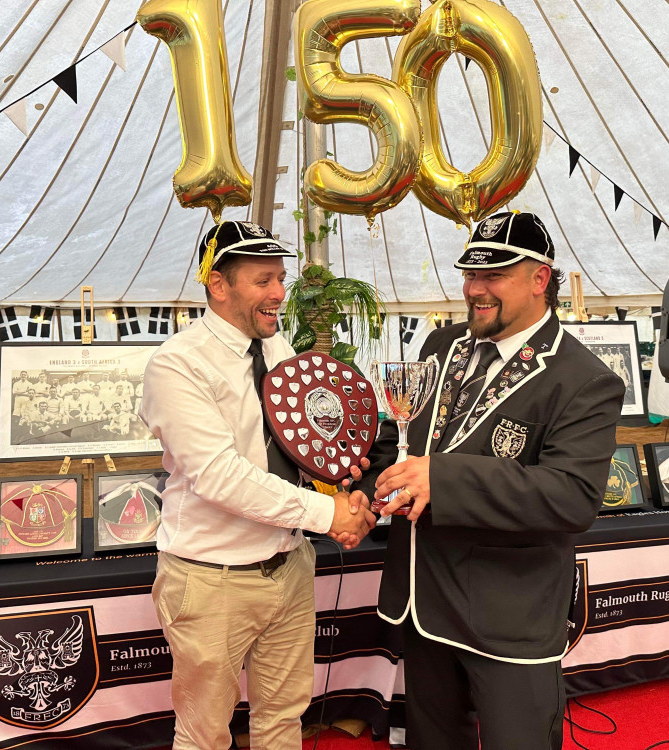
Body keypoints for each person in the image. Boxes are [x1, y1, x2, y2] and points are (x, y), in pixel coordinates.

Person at [358, 212, 625, 750]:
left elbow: (571, 498)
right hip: (424, 596)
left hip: (508, 613)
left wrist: (445, 479)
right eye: (470, 275)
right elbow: (405, 440)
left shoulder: (584, 379)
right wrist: (364, 492)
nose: (475, 290)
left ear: (539, 279)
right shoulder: (442, 346)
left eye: (494, 275)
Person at [138, 219, 375, 750]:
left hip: (289, 566)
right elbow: (220, 475)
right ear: (218, 286)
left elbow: (300, 446)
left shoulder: (278, 348)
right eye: (263, 280)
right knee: (204, 733)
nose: (278, 294)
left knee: (283, 720)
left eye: (280, 279)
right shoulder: (177, 364)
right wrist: (327, 516)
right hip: (211, 580)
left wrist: (337, 482)